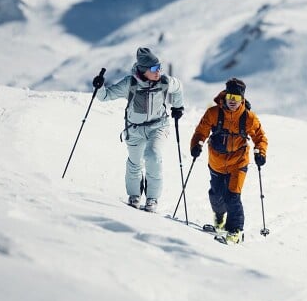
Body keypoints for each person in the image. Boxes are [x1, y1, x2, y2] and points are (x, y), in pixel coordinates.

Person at [91, 47, 184, 213]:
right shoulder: (130, 83)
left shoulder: (165, 81)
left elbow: (178, 88)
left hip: (158, 126)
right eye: (154, 69)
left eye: (159, 68)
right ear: (143, 70)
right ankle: (134, 196)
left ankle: (152, 198)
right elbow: (105, 96)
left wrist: (178, 106)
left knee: (153, 156)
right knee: (135, 163)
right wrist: (99, 86)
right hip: (134, 130)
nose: (159, 72)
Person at [190, 78, 267, 244]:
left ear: (242, 99)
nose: (233, 101)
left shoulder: (248, 118)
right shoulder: (213, 113)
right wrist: (196, 144)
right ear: (225, 96)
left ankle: (235, 231)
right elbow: (200, 131)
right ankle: (220, 218)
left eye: (237, 98)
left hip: (239, 162)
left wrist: (260, 152)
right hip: (216, 160)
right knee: (216, 195)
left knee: (233, 196)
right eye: (230, 96)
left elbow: (260, 137)